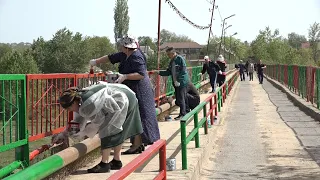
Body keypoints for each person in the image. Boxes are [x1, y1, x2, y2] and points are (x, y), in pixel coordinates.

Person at [89, 35, 160, 154]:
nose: (121, 47)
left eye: (122, 46)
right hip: (132, 89)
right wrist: (96, 61)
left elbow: (141, 74)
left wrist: (125, 76)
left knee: (140, 116)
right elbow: (111, 57)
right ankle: (137, 144)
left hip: (140, 90)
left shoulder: (136, 57)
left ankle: (137, 145)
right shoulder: (125, 54)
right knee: (135, 115)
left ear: (126, 47)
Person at [52, 82, 143, 173]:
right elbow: (79, 120)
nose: (69, 111)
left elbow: (97, 123)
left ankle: (104, 164)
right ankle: (116, 161)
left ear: (73, 103)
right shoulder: (80, 99)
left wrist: (82, 133)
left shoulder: (88, 103)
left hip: (122, 99)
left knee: (107, 131)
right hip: (126, 95)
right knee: (117, 131)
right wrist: (64, 133)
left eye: (68, 108)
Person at [158, 47, 190, 120]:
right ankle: (186, 110)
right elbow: (168, 72)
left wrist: (179, 80)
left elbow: (183, 71)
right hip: (175, 82)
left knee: (181, 98)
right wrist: (159, 72)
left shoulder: (180, 59)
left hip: (181, 83)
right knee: (181, 98)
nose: (168, 56)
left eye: (169, 54)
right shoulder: (172, 61)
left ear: (173, 53)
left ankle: (183, 114)